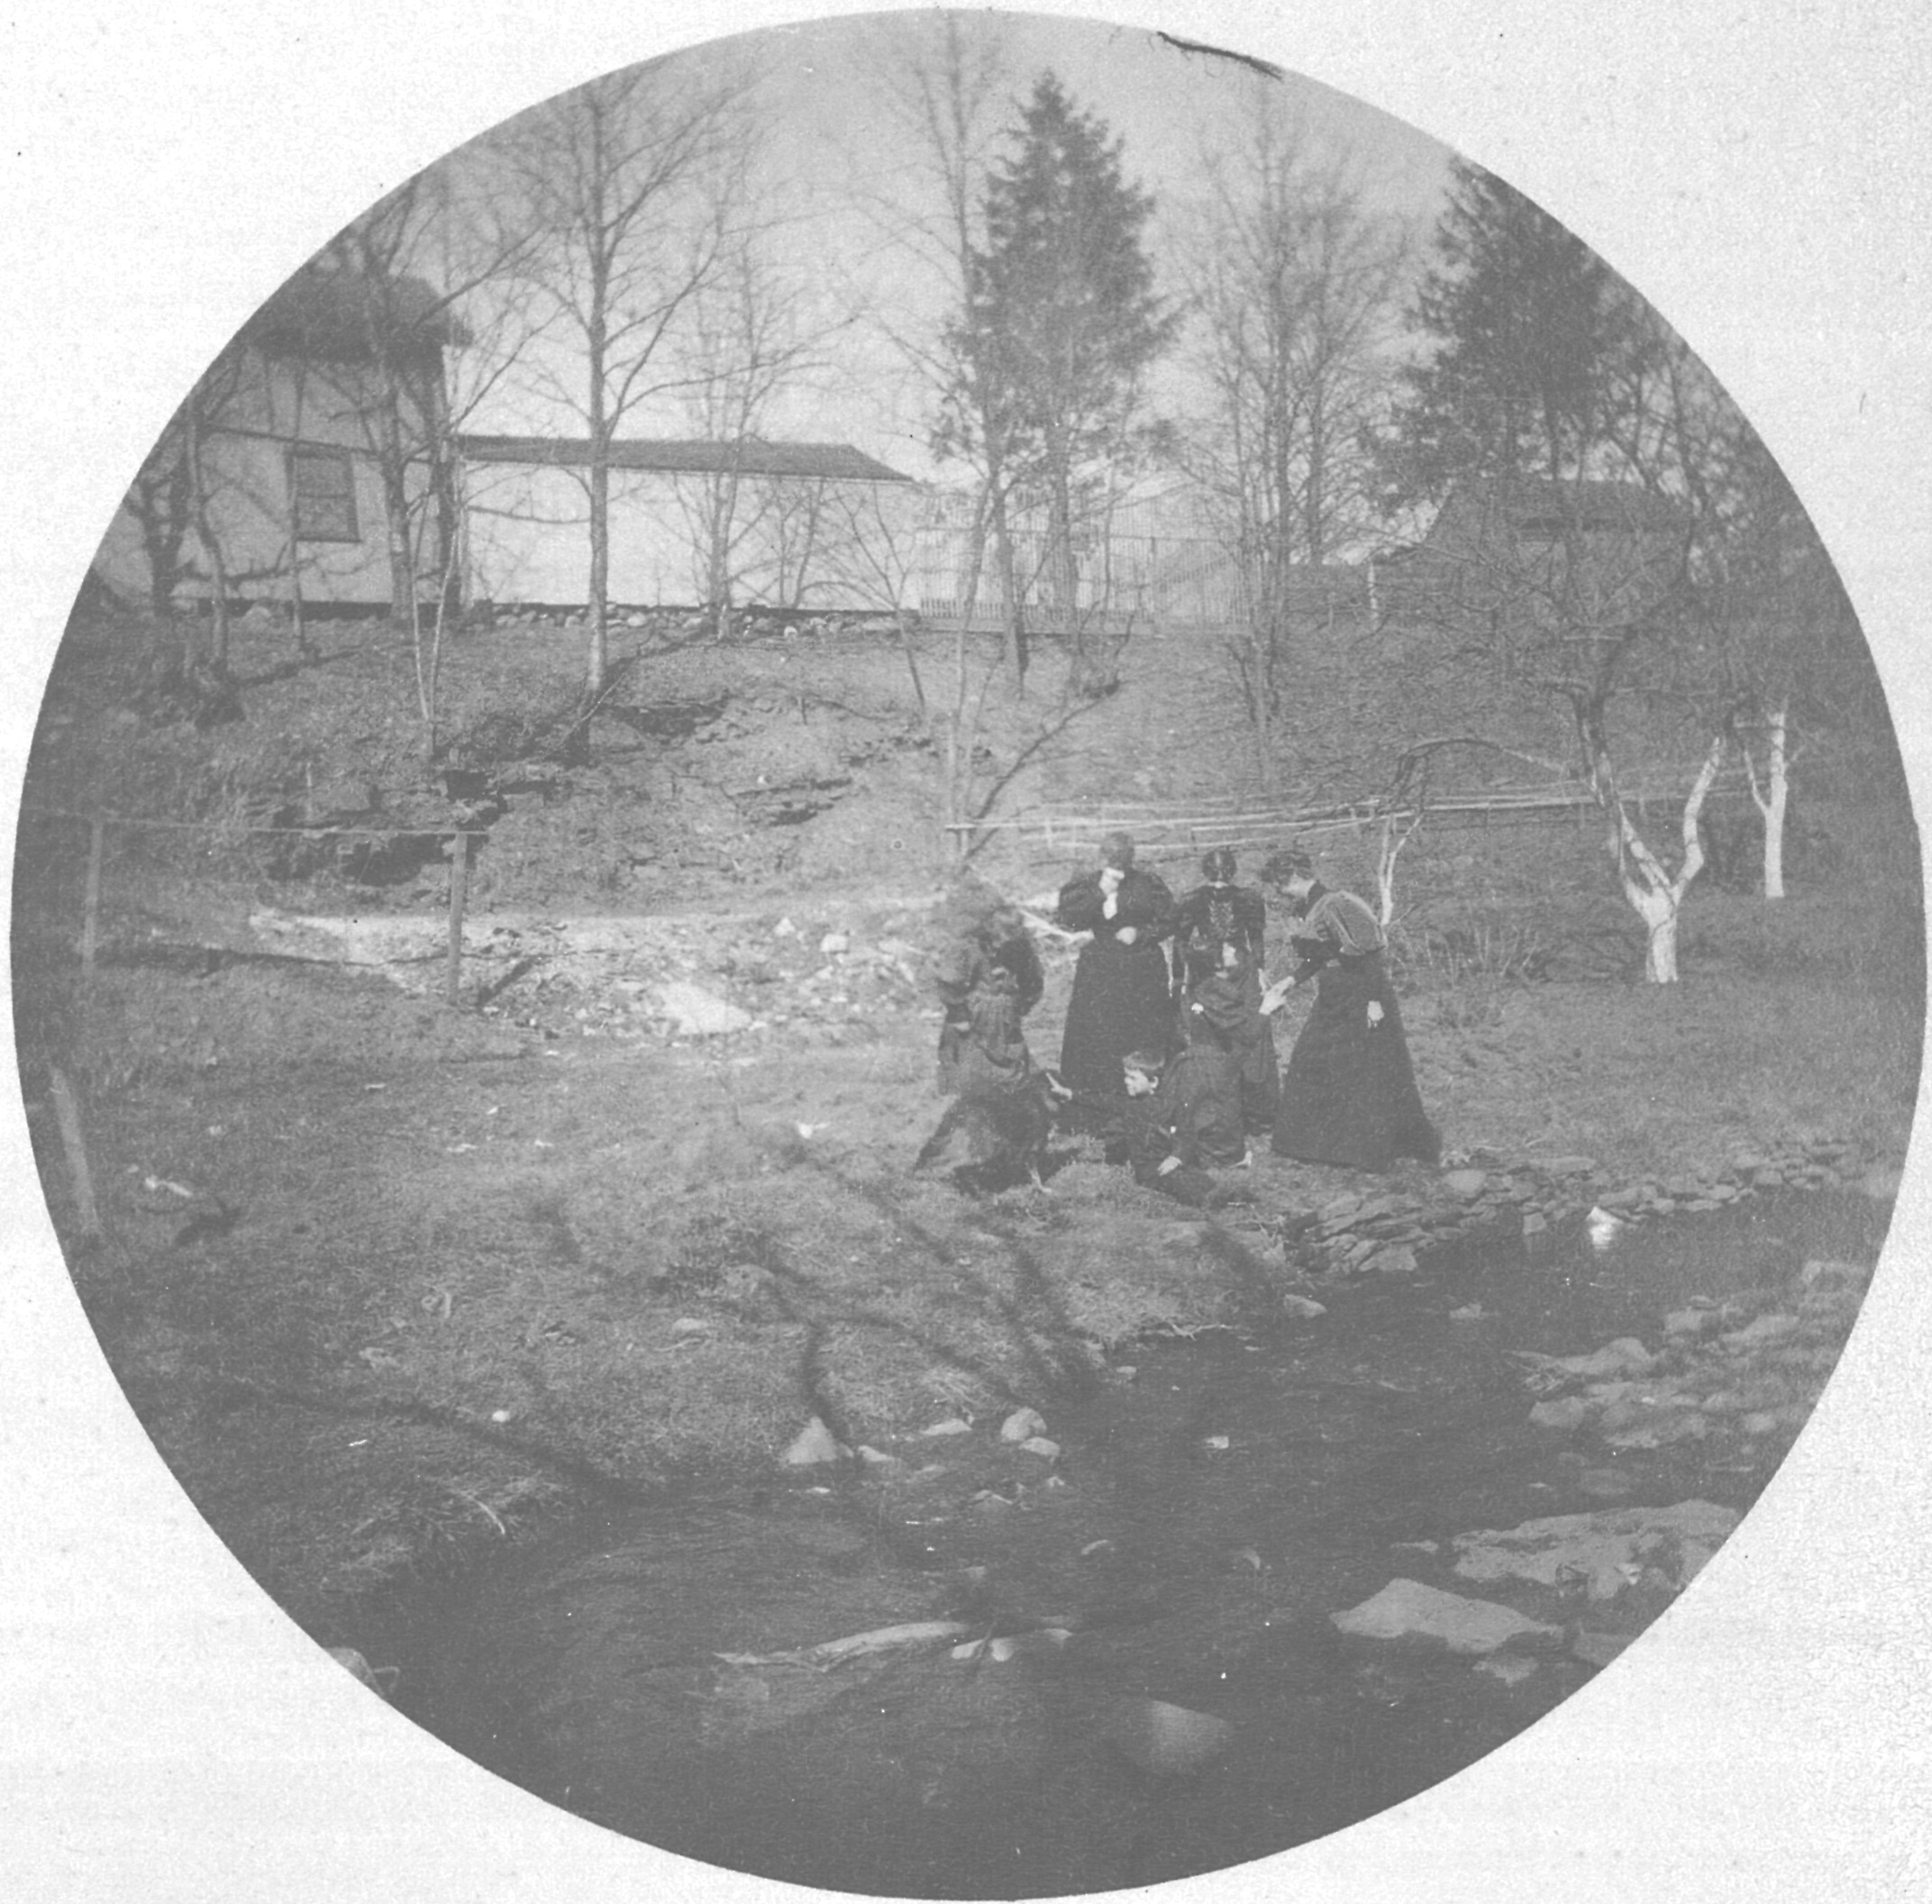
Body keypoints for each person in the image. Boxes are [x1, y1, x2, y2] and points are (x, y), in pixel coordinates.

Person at [1262, 849, 1440, 1171]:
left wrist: (1374, 1002)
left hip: (1361, 990)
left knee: (1365, 1068)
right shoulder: (1311, 908)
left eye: (1280, 884)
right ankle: (1321, 1146)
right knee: (1314, 1062)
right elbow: (1320, 956)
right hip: (1334, 993)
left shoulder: (1337, 903)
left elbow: (1368, 956)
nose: (1279, 891)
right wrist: (1289, 981)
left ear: (1295, 877)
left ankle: (1365, 1149)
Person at [1054, 832, 1177, 1105]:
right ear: (1102, 856)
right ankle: (1096, 1096)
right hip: (1100, 970)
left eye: (1123, 857)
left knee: (1140, 1030)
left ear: (1131, 857)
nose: (1117, 863)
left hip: (1141, 970)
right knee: (1099, 1033)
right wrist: (1099, 892)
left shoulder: (1148, 884)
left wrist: (1141, 933)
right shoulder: (1087, 884)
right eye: (1111, 857)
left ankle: (1142, 1092)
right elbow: (1070, 920)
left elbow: (1171, 920)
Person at [932, 877, 1044, 1096]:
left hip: (1006, 1017)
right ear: (991, 931)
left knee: (1012, 1069)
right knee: (972, 1070)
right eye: (1001, 940)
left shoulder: (1021, 948)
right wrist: (959, 1014)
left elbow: (1033, 980)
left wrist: (1021, 1004)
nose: (1005, 945)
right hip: (975, 1017)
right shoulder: (970, 948)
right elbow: (949, 981)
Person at [1181, 937, 1280, 1136]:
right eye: (1225, 950)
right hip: (1220, 1068)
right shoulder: (1214, 994)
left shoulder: (1195, 988)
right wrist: (1265, 1009)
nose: (1231, 951)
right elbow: (1247, 1036)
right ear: (1216, 963)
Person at [1173, 846, 1268, 992]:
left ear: (1205, 872)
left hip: (1216, 963)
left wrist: (1179, 979)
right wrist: (1259, 969)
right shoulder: (1248, 898)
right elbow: (1256, 939)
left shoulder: (1193, 899)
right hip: (1225, 963)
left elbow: (1180, 941)